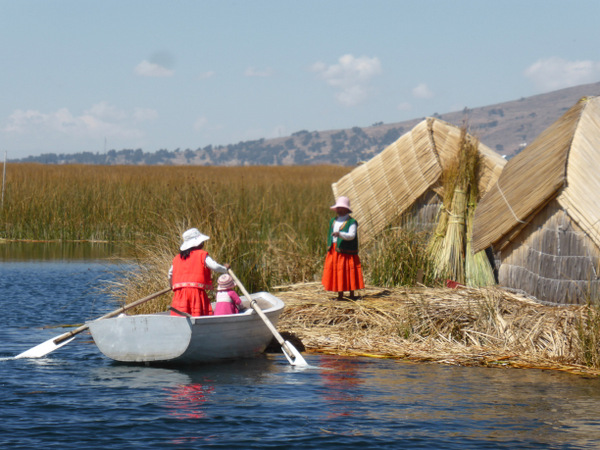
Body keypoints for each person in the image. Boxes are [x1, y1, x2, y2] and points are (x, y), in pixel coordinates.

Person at [168, 228, 230, 316]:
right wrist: (225, 269)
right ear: (197, 243)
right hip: (195, 293)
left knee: (180, 317)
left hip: (180, 294)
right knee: (198, 315)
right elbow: (215, 266)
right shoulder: (202, 255)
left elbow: (170, 274)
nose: (203, 243)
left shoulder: (177, 258)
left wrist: (171, 285)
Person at [321, 196, 365, 300]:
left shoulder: (351, 222)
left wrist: (340, 234)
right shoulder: (333, 221)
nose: (339, 210)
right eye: (338, 208)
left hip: (346, 251)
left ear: (346, 209)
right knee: (337, 271)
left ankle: (351, 294)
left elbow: (352, 235)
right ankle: (339, 294)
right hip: (334, 250)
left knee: (348, 270)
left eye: (341, 208)